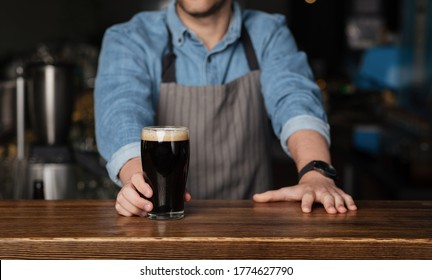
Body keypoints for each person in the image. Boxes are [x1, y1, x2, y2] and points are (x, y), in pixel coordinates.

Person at [94, 0, 357, 217]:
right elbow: (121, 110)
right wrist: (137, 182)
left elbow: (294, 98)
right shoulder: (128, 39)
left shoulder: (269, 33)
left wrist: (316, 172)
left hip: (251, 231)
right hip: (163, 225)